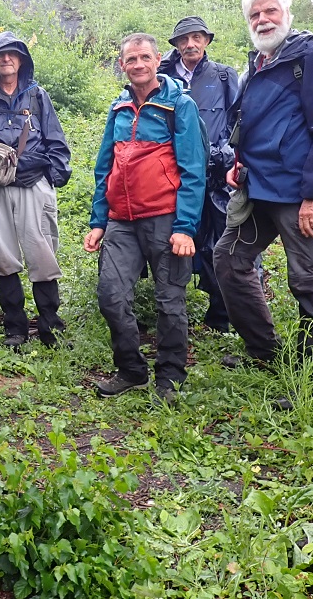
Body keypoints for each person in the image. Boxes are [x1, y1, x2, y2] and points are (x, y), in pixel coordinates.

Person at [214, 0, 313, 384]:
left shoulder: (311, 55)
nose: (262, 20)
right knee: (229, 260)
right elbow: (252, 124)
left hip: (299, 192)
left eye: (270, 11)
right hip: (258, 189)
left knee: (311, 278)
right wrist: (238, 164)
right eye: (254, 14)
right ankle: (265, 352)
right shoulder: (258, 63)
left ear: (287, 14)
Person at [84, 33, 207, 405]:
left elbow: (194, 170)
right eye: (131, 59)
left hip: (165, 219)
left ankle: (170, 377)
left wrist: (185, 228)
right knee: (111, 295)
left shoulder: (179, 105)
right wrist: (98, 221)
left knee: (170, 301)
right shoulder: (119, 108)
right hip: (121, 220)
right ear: (122, 64)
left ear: (157, 60)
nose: (138, 64)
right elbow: (105, 167)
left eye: (144, 58)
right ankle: (131, 371)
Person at [0, 32, 72, 349]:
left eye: (12, 54)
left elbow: (56, 141)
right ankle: (15, 328)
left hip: (33, 185)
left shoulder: (38, 97)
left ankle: (50, 325)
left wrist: (51, 177)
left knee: (42, 254)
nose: (6, 59)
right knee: (4, 257)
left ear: (22, 60)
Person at [159, 16, 240, 334]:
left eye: (196, 37)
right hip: (172, 177)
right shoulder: (161, 77)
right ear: (176, 45)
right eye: (184, 39)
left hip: (216, 176)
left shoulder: (223, 76)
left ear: (206, 40)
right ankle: (170, 314)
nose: (190, 44)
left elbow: (238, 120)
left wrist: (225, 156)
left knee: (220, 244)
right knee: (172, 240)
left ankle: (221, 318)